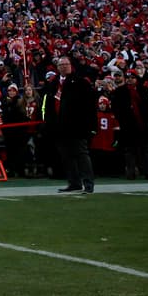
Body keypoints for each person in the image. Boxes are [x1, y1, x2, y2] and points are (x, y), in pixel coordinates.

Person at [43, 55, 97, 194]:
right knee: (66, 156)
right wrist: (49, 124)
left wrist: (90, 125)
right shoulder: (53, 83)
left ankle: (88, 183)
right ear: (57, 67)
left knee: (81, 154)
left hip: (77, 125)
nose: (64, 67)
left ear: (70, 65)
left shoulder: (80, 82)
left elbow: (89, 105)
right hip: (59, 127)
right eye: (61, 65)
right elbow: (49, 105)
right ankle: (74, 182)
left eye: (66, 64)